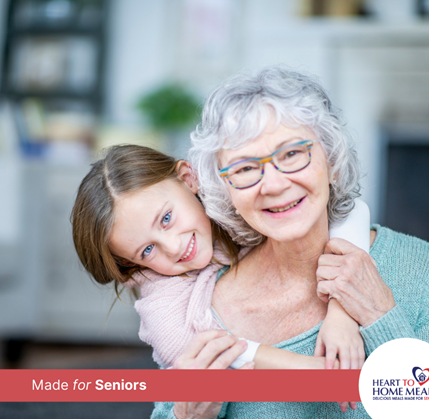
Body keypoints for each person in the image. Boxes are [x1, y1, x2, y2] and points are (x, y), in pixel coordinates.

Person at [152, 66, 429, 418]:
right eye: (244, 168)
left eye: (292, 154)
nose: (273, 185)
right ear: (226, 191)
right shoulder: (202, 302)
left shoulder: (417, 267)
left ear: (332, 161)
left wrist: (379, 314)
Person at [70, 144, 369, 411]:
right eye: (147, 250)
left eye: (166, 219)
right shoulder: (161, 302)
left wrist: (341, 314)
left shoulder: (232, 195)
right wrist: (315, 372)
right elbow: (204, 350)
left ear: (188, 178)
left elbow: (349, 210)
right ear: (132, 265)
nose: (174, 247)